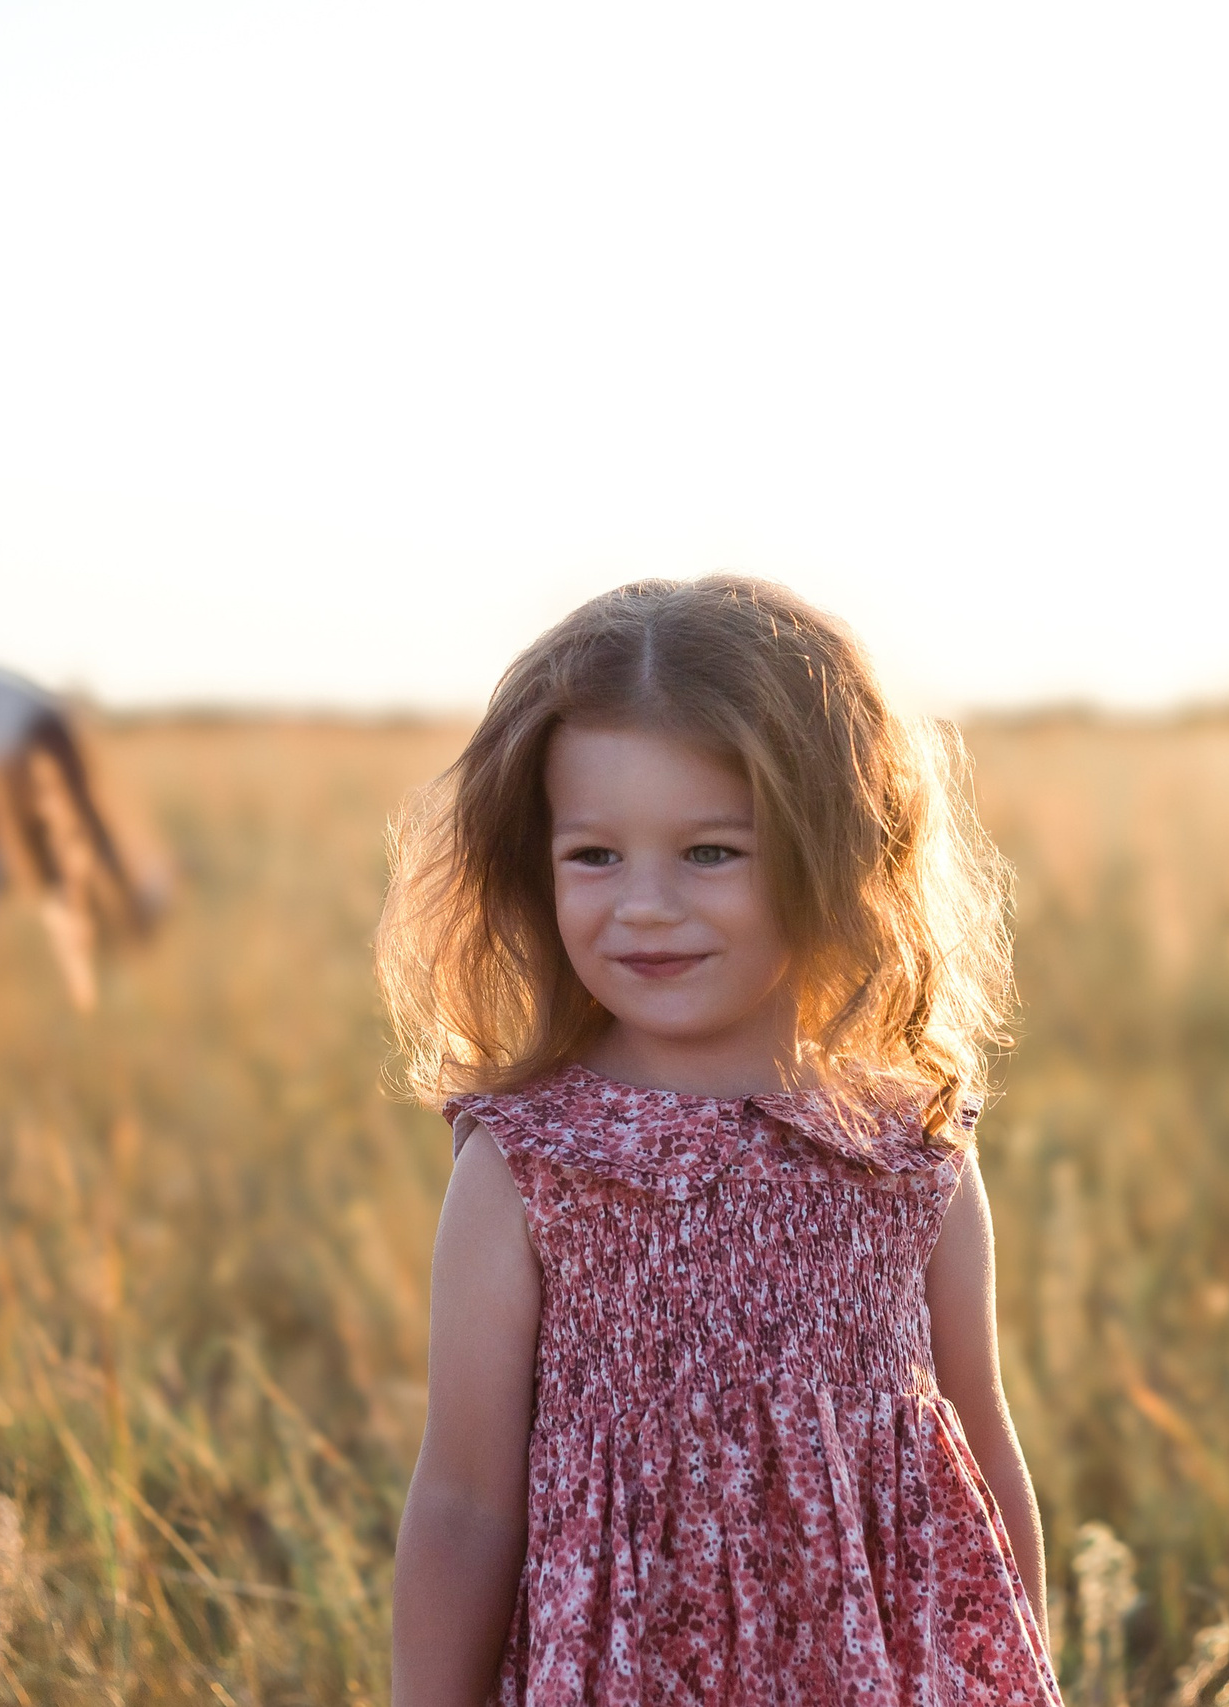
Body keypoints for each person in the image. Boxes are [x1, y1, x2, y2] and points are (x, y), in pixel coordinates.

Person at [378, 576, 1062, 1704]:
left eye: (710, 853)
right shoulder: (535, 1159)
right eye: (593, 855)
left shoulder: (903, 1142)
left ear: (830, 854)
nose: (643, 905)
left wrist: (1022, 1672)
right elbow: (463, 1500)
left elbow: (978, 1440)